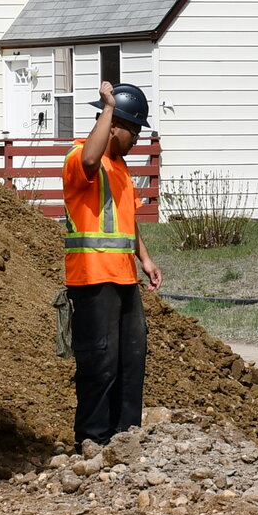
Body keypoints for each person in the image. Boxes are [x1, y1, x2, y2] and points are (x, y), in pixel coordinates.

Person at [60, 81, 161, 447]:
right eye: (134, 130)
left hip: (124, 279)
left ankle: (124, 438)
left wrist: (145, 259)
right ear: (114, 126)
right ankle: (92, 441)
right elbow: (90, 160)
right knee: (99, 363)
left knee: (131, 361)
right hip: (92, 280)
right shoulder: (80, 157)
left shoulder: (120, 168)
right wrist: (107, 107)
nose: (137, 139)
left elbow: (126, 221)